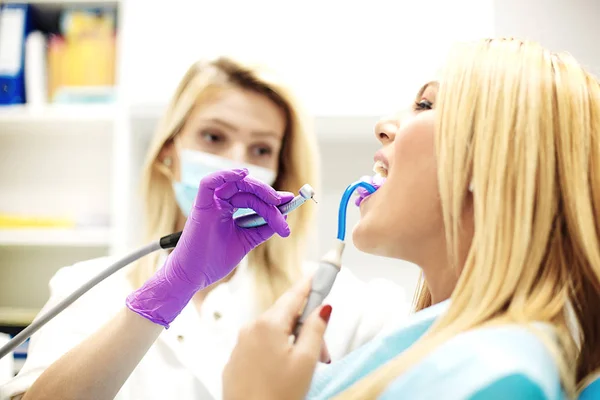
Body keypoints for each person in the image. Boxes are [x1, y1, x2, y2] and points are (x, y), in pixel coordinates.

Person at [1, 57, 407, 400]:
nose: (236, 162)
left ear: (281, 172)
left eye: (261, 149)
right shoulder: (85, 287)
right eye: (213, 137)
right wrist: (165, 293)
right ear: (167, 154)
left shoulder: (341, 301)